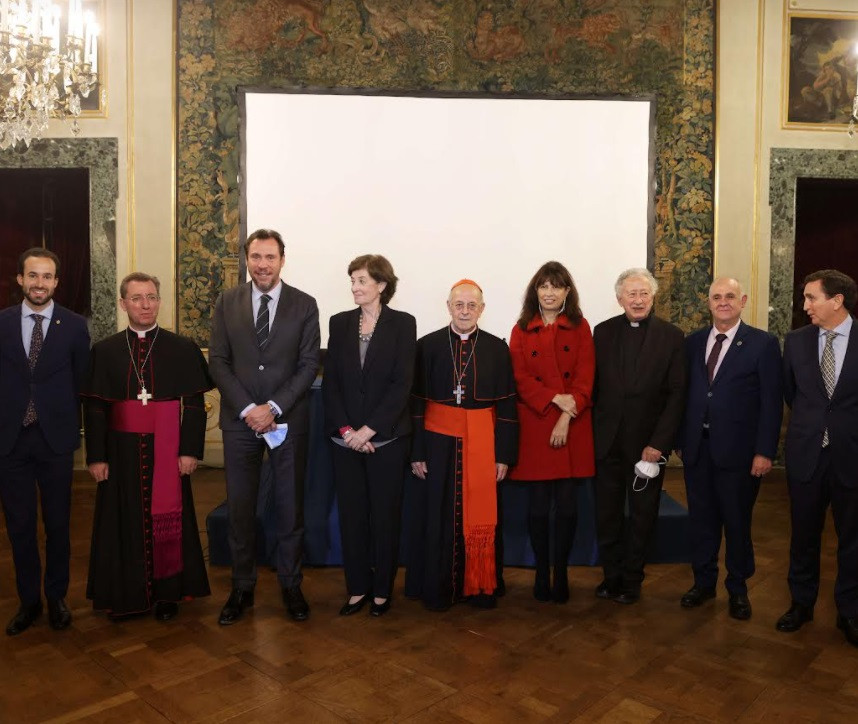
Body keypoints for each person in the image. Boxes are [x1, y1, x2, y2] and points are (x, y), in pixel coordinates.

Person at [84, 272, 212, 621]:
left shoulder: (181, 348)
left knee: (169, 519)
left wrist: (190, 451)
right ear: (123, 303)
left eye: (152, 297)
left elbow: (196, 405)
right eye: (138, 298)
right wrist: (96, 456)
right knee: (120, 520)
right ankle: (125, 593)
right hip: (120, 452)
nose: (146, 304)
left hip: (168, 450)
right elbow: (95, 407)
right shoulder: (106, 350)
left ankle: (168, 593)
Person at [209, 228, 320, 625]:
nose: (262, 265)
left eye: (270, 257)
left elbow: (309, 365)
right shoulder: (227, 302)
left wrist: (273, 407)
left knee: (290, 508)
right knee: (240, 510)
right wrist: (248, 409)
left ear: (282, 260)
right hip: (240, 424)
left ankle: (291, 584)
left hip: (287, 421)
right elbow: (218, 362)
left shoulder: (305, 305)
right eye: (255, 257)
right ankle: (242, 587)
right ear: (246, 259)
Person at [406, 279, 518, 610]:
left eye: (472, 305)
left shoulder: (498, 350)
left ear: (482, 309)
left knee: (481, 514)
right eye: (459, 305)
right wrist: (416, 452)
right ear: (448, 306)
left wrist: (504, 455)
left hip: (483, 446)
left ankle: (479, 588)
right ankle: (437, 587)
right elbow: (415, 404)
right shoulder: (426, 346)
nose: (465, 311)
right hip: (437, 445)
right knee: (436, 516)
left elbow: (509, 407)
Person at [676, 277, 782, 620]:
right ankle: (703, 583)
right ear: (708, 302)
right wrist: (680, 440)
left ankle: (738, 588)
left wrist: (765, 451)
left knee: (737, 524)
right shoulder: (691, 343)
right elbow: (684, 397)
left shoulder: (763, 344)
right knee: (701, 523)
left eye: (730, 296)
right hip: (697, 450)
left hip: (740, 454)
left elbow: (771, 403)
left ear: (743, 301)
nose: (723, 302)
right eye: (717, 296)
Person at [0, 248, 90, 636]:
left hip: (55, 442)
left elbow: (82, 384)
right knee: (19, 526)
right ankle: (29, 601)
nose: (40, 283)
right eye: (33, 276)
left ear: (56, 281)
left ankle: (56, 598)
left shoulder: (73, 326)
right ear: (20, 279)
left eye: (47, 277)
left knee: (57, 525)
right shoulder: (1, 323)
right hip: (10, 443)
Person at [322, 255, 416, 617]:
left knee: (385, 517)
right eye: (352, 281)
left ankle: (381, 591)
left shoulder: (403, 324)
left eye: (361, 281)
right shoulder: (340, 323)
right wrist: (348, 431)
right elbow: (332, 384)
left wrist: (369, 430)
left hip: (387, 440)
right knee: (352, 517)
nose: (355, 287)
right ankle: (357, 588)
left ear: (381, 285)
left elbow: (401, 384)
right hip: (345, 442)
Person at [592, 268, 686, 604]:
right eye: (631, 294)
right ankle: (610, 576)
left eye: (644, 293)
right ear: (619, 298)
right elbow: (594, 388)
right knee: (607, 515)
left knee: (643, 517)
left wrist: (658, 444)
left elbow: (677, 395)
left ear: (653, 297)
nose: (638, 300)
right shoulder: (601, 332)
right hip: (606, 443)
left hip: (647, 447)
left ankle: (632, 580)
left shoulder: (672, 337)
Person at [777, 269, 858, 648]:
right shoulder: (795, 342)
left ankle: (850, 611)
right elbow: (793, 394)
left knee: (852, 538)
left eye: (811, 298)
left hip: (852, 455)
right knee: (804, 535)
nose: (804, 306)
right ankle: (801, 603)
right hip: (807, 453)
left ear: (837, 300)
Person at [509, 261, 595, 603]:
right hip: (536, 423)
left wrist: (565, 415)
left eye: (556, 286)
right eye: (543, 286)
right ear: (536, 291)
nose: (549, 292)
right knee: (539, 507)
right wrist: (553, 399)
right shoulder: (521, 329)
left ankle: (562, 572)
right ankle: (541, 572)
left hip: (571, 426)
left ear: (567, 292)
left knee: (569, 507)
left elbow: (586, 379)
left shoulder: (580, 326)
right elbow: (520, 379)